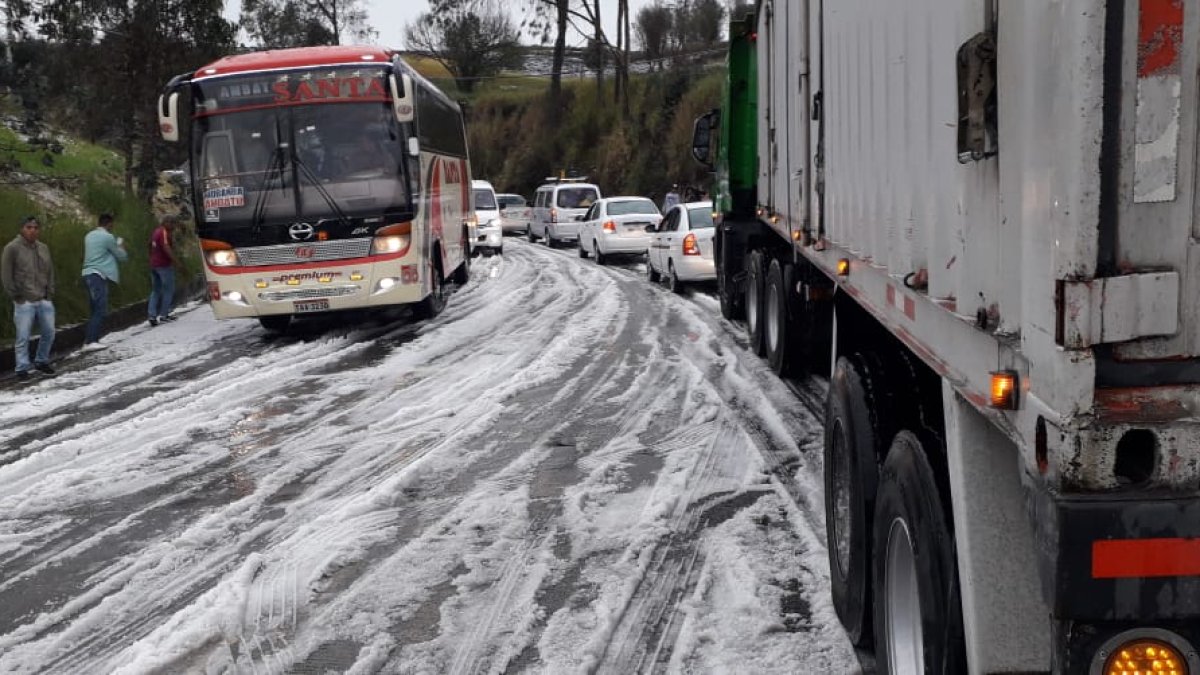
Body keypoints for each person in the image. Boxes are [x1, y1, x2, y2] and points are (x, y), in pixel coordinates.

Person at [1, 216, 56, 381]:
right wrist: (15, 295)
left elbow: (50, 270)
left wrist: (50, 291)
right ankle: (22, 368)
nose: (32, 230)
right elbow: (6, 274)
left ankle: (41, 360)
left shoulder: (43, 248)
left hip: (44, 298)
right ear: (22, 229)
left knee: (49, 332)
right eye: (28, 227)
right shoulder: (12, 248)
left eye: (35, 227)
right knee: (23, 336)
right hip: (24, 300)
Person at [80, 213, 128, 350]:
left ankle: (90, 339)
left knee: (94, 308)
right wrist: (121, 245)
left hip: (87, 274)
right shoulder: (108, 237)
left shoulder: (88, 236)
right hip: (98, 275)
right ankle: (91, 341)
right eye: (112, 225)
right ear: (108, 224)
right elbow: (122, 256)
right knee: (100, 308)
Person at [147, 216, 178, 326]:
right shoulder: (163, 232)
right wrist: (175, 261)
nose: (174, 226)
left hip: (154, 265)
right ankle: (164, 314)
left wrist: (151, 257)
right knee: (168, 289)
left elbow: (149, 244)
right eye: (173, 223)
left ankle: (152, 315)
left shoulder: (156, 231)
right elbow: (166, 247)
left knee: (156, 290)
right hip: (164, 265)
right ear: (166, 222)